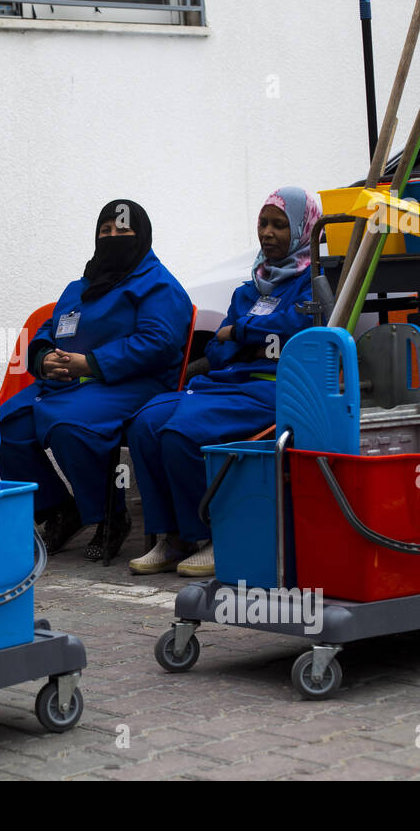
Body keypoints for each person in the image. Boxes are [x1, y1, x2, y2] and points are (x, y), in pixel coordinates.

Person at [127, 186, 319, 576]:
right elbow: (218, 349)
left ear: (302, 230)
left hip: (272, 388)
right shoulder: (247, 290)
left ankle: (214, 536)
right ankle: (173, 538)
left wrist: (241, 334)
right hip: (226, 384)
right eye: (263, 223)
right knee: (145, 424)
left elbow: (291, 331)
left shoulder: (313, 283)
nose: (267, 233)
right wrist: (243, 338)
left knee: (180, 433)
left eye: (280, 225)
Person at [0, 199, 192, 562]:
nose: (113, 237)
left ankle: (110, 517)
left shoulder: (158, 286)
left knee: (70, 427)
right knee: (2, 427)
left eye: (123, 231)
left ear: (142, 236)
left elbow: (159, 343)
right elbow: (47, 330)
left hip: (133, 386)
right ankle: (57, 508)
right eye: (106, 231)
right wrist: (42, 360)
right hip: (65, 385)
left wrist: (91, 363)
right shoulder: (81, 285)